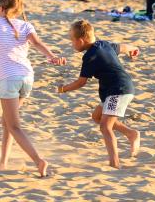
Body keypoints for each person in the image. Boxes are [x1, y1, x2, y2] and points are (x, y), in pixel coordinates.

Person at [0, 0, 65, 177]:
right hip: (27, 77)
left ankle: (38, 161)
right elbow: (37, 43)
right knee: (6, 121)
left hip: (9, 78)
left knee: (14, 126)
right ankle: (3, 162)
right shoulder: (26, 25)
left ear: (1, 8)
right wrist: (52, 57)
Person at [58, 20, 140, 169]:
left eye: (72, 41)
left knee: (105, 127)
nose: (71, 44)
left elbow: (81, 82)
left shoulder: (90, 57)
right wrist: (133, 49)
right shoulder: (105, 44)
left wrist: (63, 89)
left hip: (118, 90)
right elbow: (125, 47)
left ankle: (115, 163)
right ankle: (131, 134)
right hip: (117, 89)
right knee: (97, 116)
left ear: (81, 41)